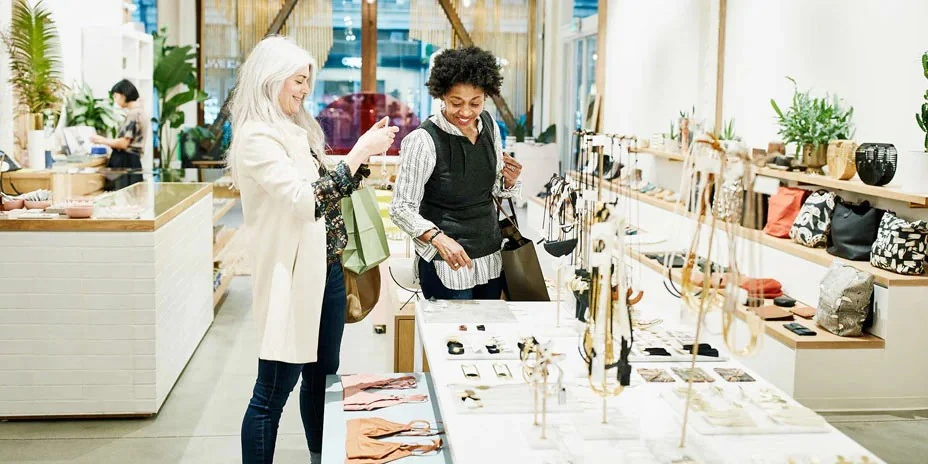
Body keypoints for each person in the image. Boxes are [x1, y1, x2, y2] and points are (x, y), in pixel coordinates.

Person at [227, 36, 397, 464]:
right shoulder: (256, 137)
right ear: (272, 78)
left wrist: (356, 166)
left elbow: (324, 191)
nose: (304, 90)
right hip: (292, 274)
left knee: (321, 378)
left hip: (327, 272)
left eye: (307, 81)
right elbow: (305, 201)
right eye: (298, 80)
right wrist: (356, 155)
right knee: (272, 390)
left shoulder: (293, 129)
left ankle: (320, 455)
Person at [389, 46, 523, 300]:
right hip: (446, 263)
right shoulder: (423, 140)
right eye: (456, 103)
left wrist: (508, 180)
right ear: (442, 96)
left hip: (489, 255)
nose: (465, 112)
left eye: (475, 103)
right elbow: (401, 208)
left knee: (487, 336)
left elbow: (491, 190)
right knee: (451, 337)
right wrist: (438, 238)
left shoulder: (489, 126)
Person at [90, 79, 147, 187]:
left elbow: (123, 143)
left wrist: (101, 140)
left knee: (123, 195)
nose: (115, 100)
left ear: (123, 95)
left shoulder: (133, 114)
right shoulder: (140, 112)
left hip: (126, 160)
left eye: (115, 96)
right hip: (134, 160)